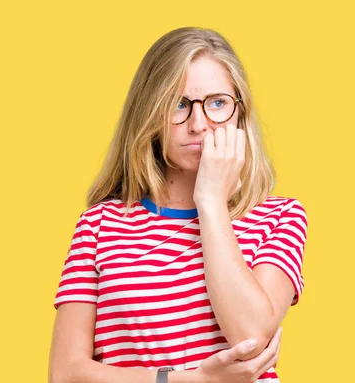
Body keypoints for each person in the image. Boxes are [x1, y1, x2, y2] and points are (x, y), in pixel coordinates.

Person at [48, 27, 309, 383]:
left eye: (217, 103)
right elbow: (65, 373)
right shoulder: (99, 226)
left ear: (239, 113)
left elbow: (250, 337)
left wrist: (211, 201)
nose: (199, 125)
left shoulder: (280, 217)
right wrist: (192, 381)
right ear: (149, 114)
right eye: (178, 104)